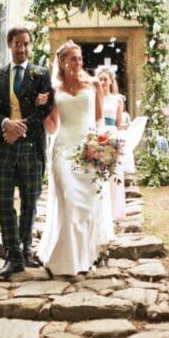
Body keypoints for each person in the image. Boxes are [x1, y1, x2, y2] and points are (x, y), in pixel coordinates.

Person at [0, 27, 53, 279]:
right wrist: (5, 124)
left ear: (29, 45)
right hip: (3, 146)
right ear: (9, 44)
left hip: (31, 146)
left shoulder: (41, 74)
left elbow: (46, 109)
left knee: (30, 202)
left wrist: (19, 128)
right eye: (17, 43)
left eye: (25, 44)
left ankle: (24, 251)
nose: (22, 48)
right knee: (3, 203)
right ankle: (12, 256)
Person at [37, 41, 114, 275]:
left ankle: (85, 256)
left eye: (80, 58)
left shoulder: (93, 84)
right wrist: (40, 109)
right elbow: (52, 127)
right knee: (69, 202)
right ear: (61, 62)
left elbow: (100, 120)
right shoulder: (54, 89)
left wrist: (102, 147)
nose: (78, 62)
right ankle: (65, 261)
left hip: (88, 150)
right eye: (72, 58)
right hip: (62, 150)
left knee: (87, 206)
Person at [95, 66, 126, 221]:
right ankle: (101, 211)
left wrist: (123, 136)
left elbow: (120, 123)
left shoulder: (117, 100)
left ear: (111, 81)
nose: (102, 82)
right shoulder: (94, 98)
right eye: (100, 79)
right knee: (99, 174)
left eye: (105, 79)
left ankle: (115, 211)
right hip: (98, 136)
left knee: (114, 174)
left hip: (113, 136)